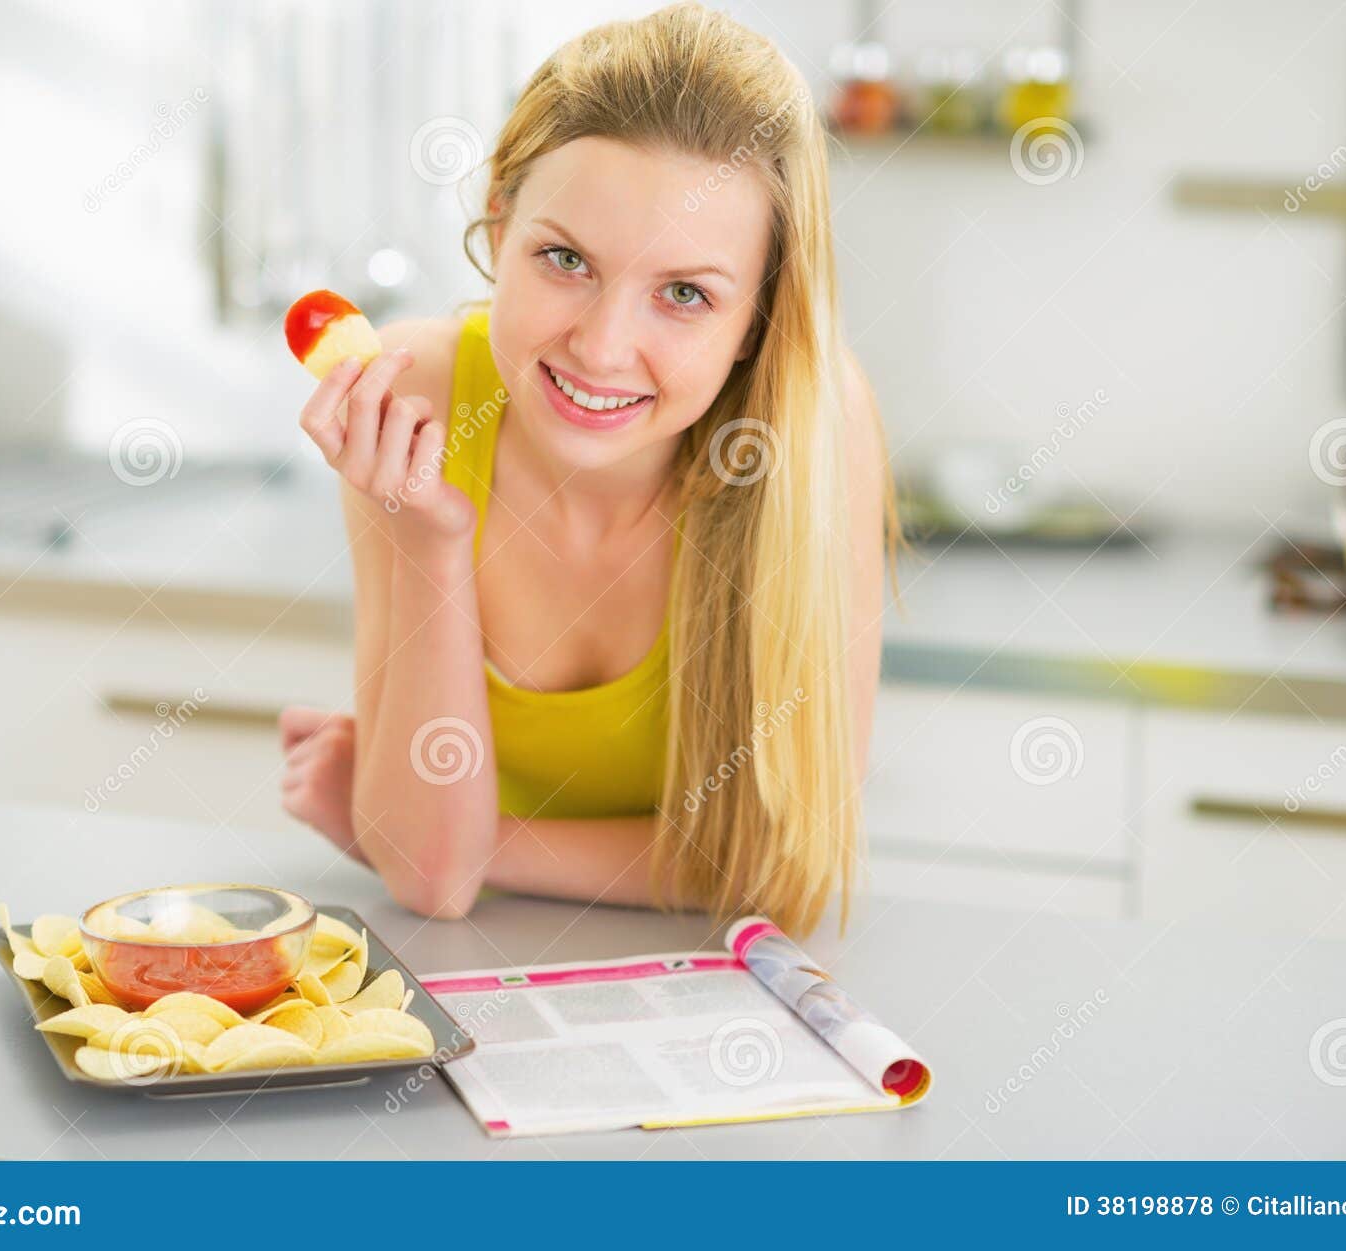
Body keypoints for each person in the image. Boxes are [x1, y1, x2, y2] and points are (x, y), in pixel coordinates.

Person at [281, 2, 899, 936]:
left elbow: (784, 861)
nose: (603, 349)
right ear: (500, 226)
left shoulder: (816, 426)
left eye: (685, 294)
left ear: (759, 320)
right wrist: (430, 540)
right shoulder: (422, 395)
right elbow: (432, 887)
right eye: (565, 258)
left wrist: (471, 835)